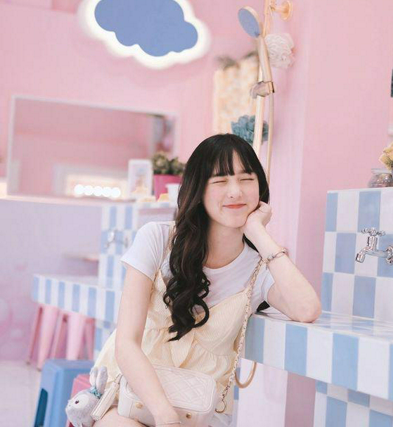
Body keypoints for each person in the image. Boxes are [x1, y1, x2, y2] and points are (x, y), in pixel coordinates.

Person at [93, 133, 321, 426]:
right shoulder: (158, 239)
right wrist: (165, 416)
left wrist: (259, 233)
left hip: (200, 414)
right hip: (131, 397)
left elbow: (306, 309)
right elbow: (127, 343)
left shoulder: (258, 269)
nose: (235, 192)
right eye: (220, 181)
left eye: (246, 179)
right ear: (199, 190)